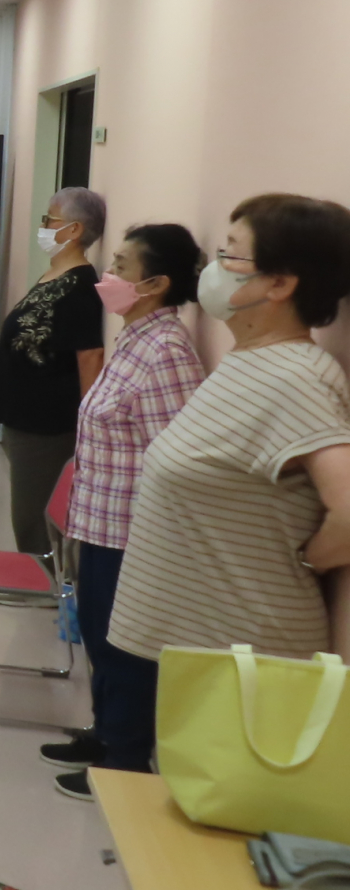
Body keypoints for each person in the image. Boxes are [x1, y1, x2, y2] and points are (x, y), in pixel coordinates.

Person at [103, 193, 350, 778]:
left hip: (242, 654)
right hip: (198, 652)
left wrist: (307, 560)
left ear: (279, 283)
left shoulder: (299, 378)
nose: (213, 269)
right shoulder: (250, 360)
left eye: (230, 254)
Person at [38, 224, 205, 801]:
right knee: (98, 634)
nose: (108, 275)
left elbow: (174, 457)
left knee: (126, 647)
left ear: (156, 283)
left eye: (122, 266)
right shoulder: (136, 336)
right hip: (99, 522)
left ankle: (126, 761)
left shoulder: (168, 351)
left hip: (134, 533)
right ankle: (104, 733)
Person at [0, 187, 107, 583]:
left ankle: (42, 583)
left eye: (49, 219)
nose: (43, 226)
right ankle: (41, 577)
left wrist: (87, 425)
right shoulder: (54, 275)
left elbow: (90, 357)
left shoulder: (81, 287)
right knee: (28, 506)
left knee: (32, 510)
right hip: (22, 415)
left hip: (46, 422)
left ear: (74, 230)